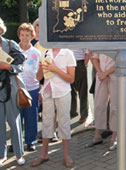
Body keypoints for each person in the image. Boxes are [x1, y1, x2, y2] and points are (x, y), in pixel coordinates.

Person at [31, 47, 76, 167]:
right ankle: (43, 154)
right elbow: (38, 77)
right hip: (47, 91)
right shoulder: (46, 52)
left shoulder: (68, 53)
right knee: (46, 122)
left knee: (64, 122)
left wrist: (55, 69)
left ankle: (66, 155)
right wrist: (41, 68)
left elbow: (71, 79)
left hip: (63, 92)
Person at [0, 18, 26, 167]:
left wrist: (8, 67)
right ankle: (1, 154)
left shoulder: (10, 44)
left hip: (10, 87)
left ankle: (19, 153)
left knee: (14, 122)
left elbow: (21, 65)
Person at [85, 53, 117, 151]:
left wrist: (105, 73)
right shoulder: (101, 39)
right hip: (101, 75)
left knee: (115, 107)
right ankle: (97, 136)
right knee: (99, 106)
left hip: (116, 75)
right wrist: (100, 73)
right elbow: (94, 58)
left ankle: (114, 138)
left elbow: (122, 61)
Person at [17, 23, 41, 151]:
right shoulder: (14, 50)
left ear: (32, 36)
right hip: (17, 89)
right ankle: (17, 141)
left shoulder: (36, 53)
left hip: (32, 88)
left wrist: (40, 87)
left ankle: (30, 141)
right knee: (16, 117)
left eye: (27, 35)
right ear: (19, 36)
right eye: (22, 35)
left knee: (31, 116)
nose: (24, 38)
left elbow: (40, 70)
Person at [70, 49, 89, 123]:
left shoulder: (81, 38)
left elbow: (87, 53)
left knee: (82, 91)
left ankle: (84, 115)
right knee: (70, 90)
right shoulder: (65, 37)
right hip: (68, 64)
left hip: (80, 63)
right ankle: (73, 111)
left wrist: (84, 64)